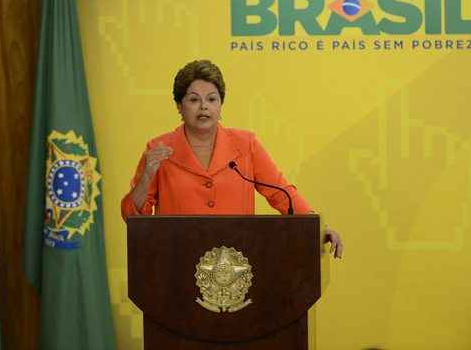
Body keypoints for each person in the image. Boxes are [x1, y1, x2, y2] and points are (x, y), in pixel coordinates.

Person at [120, 60, 343, 258]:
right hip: (178, 259)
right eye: (194, 99)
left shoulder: (246, 144)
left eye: (211, 99)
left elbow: (280, 192)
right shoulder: (159, 149)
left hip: (237, 262)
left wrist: (317, 227)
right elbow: (133, 218)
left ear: (220, 105)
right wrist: (147, 174)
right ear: (179, 106)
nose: (204, 106)